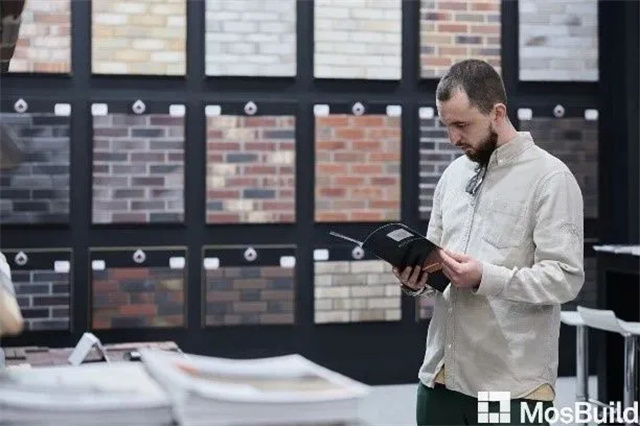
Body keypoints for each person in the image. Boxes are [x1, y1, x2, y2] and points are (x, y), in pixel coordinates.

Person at [393, 59, 584, 425]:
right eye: (447, 125)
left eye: (462, 125)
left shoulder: (550, 179)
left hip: (510, 389)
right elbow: (436, 260)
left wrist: (485, 277)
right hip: (439, 379)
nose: (453, 139)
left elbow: (565, 278)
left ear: (497, 113)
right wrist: (416, 279)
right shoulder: (453, 175)